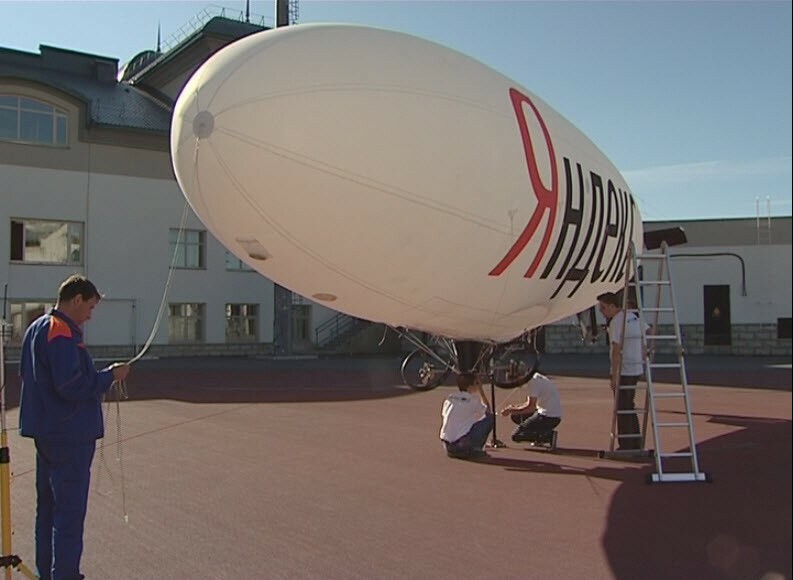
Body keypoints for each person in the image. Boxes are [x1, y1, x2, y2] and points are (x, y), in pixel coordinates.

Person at [19, 274, 131, 580]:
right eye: (90, 307)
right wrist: (109, 376)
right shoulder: (61, 331)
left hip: (46, 432)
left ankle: (47, 572)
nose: (90, 315)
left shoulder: (36, 327)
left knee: (48, 509)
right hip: (69, 434)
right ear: (77, 300)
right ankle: (65, 574)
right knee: (68, 513)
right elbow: (71, 385)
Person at [597, 291, 650, 451]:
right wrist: (643, 354)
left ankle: (626, 444)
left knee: (622, 407)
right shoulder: (633, 317)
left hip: (625, 369)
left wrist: (614, 375)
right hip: (635, 366)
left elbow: (616, 349)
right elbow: (648, 332)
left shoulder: (616, 322)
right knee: (628, 404)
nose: (602, 312)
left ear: (613, 306)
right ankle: (635, 440)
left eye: (603, 308)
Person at [439, 372, 494, 460]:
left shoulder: (450, 398)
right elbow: (488, 411)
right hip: (462, 445)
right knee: (490, 419)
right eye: (476, 383)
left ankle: (459, 450)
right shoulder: (473, 400)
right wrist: (481, 391)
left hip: (447, 445)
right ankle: (474, 449)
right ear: (470, 386)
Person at [500, 372, 562, 444]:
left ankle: (548, 436)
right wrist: (515, 408)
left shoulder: (533, 383)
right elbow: (530, 403)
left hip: (549, 418)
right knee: (516, 416)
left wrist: (511, 410)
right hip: (546, 412)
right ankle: (538, 433)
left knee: (516, 436)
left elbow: (531, 408)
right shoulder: (534, 377)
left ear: (519, 377)